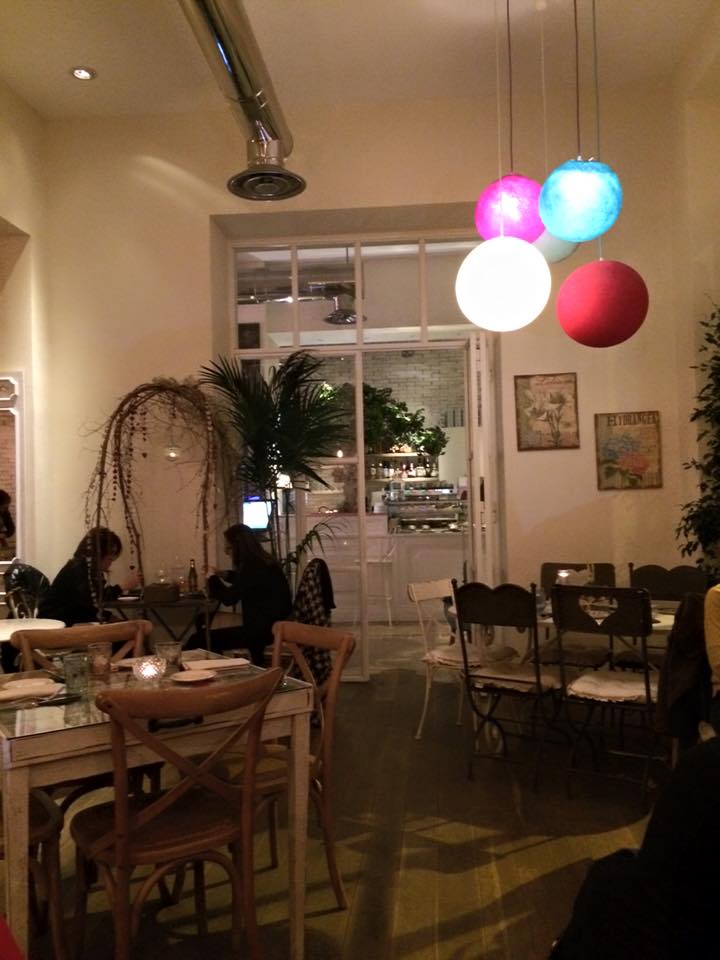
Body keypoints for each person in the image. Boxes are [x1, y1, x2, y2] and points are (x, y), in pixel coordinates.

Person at [193, 523, 292, 665]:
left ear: (237, 547)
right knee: (209, 638)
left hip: (262, 631)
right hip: (273, 624)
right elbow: (246, 582)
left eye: (228, 547)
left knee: (199, 640)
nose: (226, 551)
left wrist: (211, 577)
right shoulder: (262, 561)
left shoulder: (252, 566)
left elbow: (229, 598)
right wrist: (223, 574)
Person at [38, 526, 133, 626]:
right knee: (127, 628)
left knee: (126, 626)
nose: (112, 560)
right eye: (110, 556)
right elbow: (93, 601)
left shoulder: (89, 570)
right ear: (97, 553)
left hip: (72, 618)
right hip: (58, 623)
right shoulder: (78, 569)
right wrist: (121, 587)